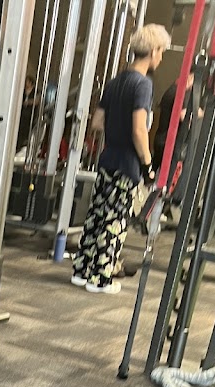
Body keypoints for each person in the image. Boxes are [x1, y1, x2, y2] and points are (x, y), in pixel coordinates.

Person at [70, 24, 170, 295]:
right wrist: (148, 166)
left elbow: (97, 122)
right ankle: (100, 278)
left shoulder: (115, 82)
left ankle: (81, 270)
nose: (161, 58)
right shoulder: (143, 85)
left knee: (96, 216)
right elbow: (139, 131)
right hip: (127, 164)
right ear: (153, 51)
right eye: (162, 52)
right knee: (114, 221)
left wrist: (117, 126)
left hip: (107, 160)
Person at [153, 68, 196, 171]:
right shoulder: (180, 92)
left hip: (161, 139)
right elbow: (183, 116)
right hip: (168, 143)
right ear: (190, 77)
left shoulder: (173, 89)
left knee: (155, 172)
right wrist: (198, 113)